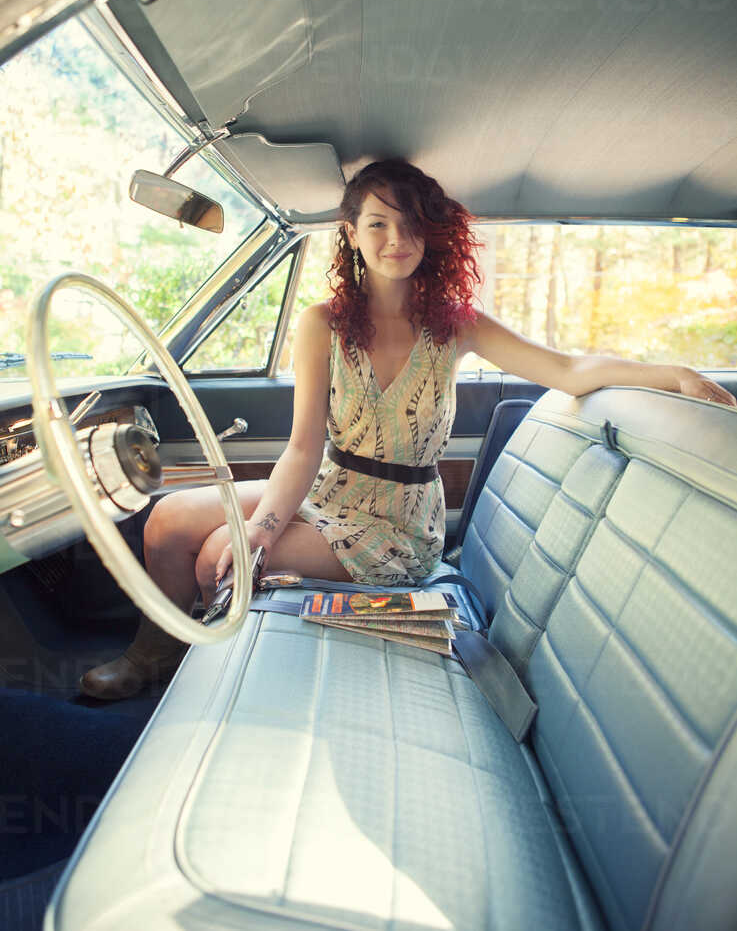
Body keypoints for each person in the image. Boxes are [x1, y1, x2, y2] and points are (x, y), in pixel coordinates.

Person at [80, 159, 737, 699]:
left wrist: (672, 373)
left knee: (215, 557)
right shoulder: (322, 325)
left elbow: (566, 368)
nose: (396, 241)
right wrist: (263, 525)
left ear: (430, 235)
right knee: (167, 519)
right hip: (328, 490)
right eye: (378, 224)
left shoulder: (456, 326)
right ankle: (149, 659)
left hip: (399, 523)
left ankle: (199, 664)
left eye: (411, 226)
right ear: (350, 231)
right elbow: (304, 447)